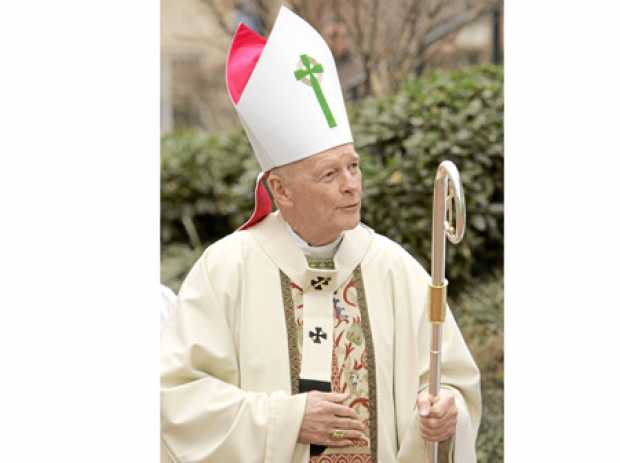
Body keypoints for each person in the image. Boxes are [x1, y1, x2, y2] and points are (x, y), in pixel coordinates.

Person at [161, 6, 481, 463]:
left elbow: (450, 385)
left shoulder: (393, 268)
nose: (352, 184)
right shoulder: (225, 270)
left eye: (353, 166)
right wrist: (286, 420)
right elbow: (176, 399)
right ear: (281, 190)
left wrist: (445, 416)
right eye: (329, 173)